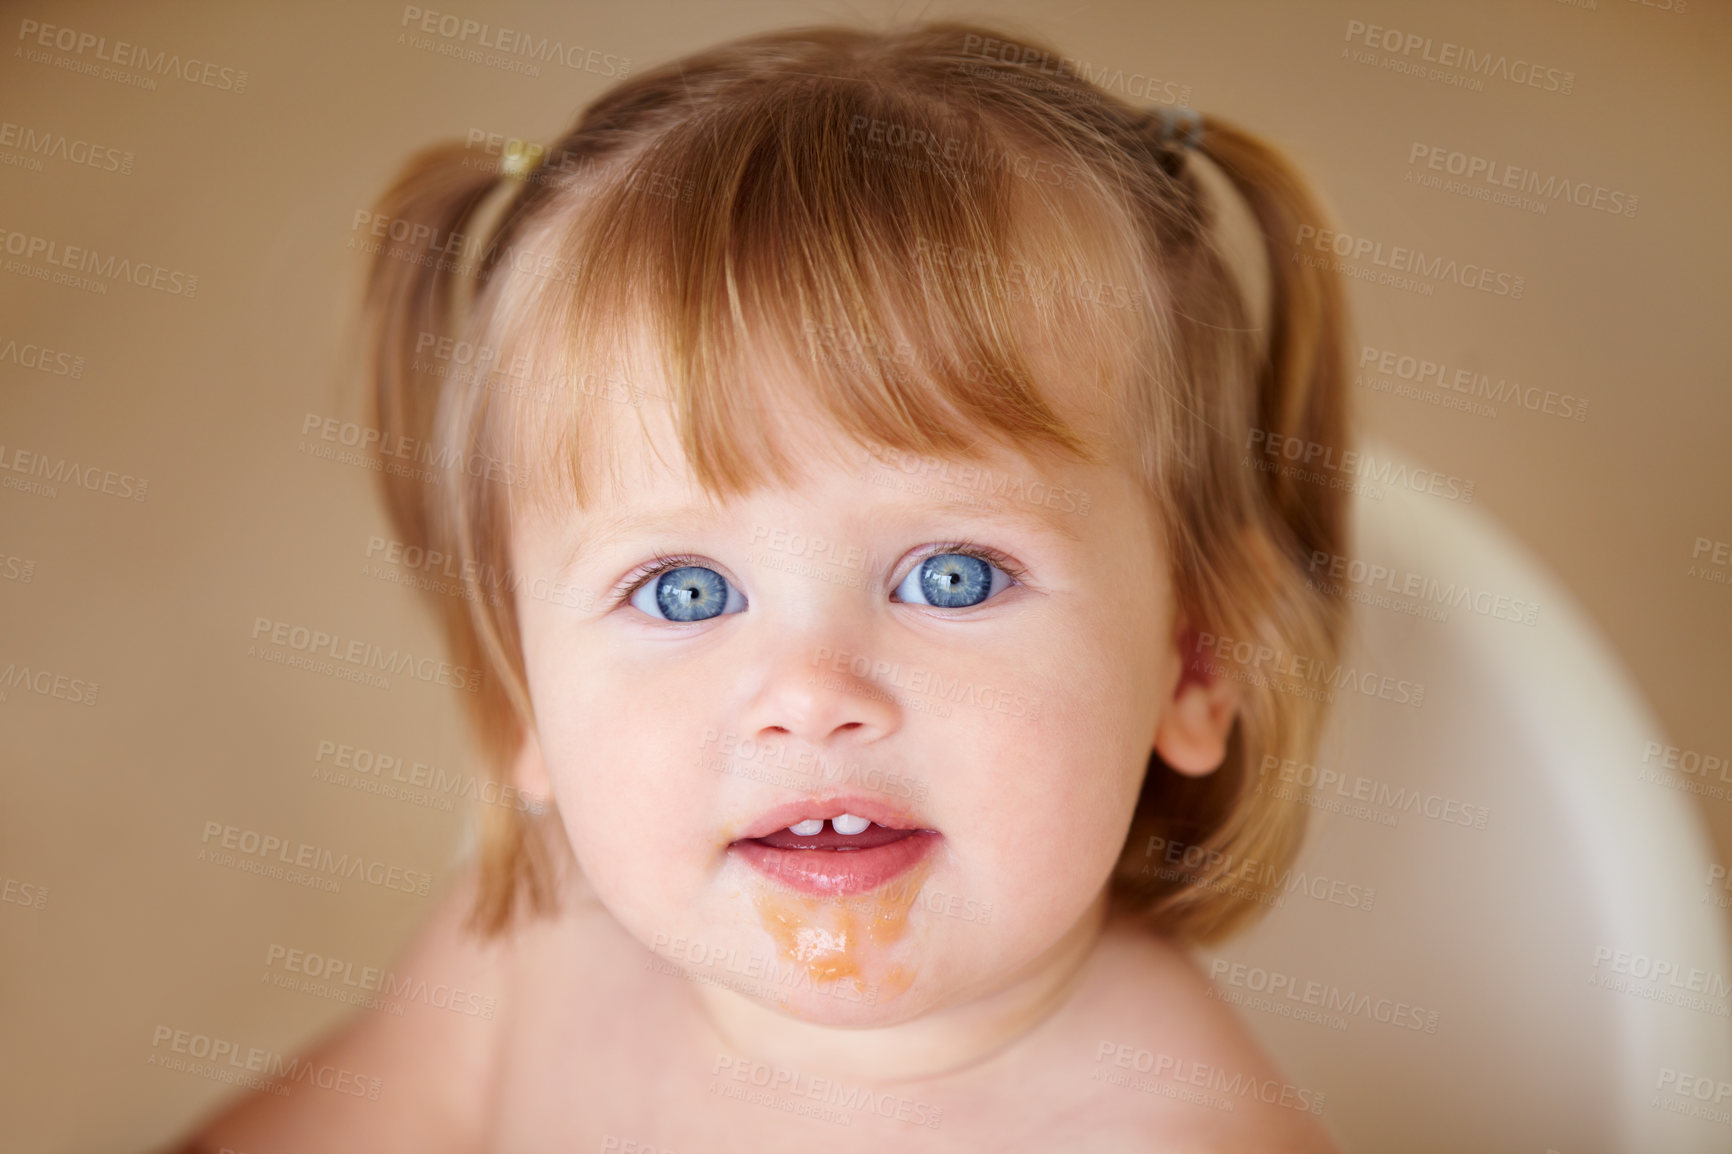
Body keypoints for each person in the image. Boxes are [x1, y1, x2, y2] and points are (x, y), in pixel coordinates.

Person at [179, 20, 1350, 1151]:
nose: (809, 691)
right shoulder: (534, 949)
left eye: (952, 575)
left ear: (1202, 654)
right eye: (684, 588)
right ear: (519, 691)